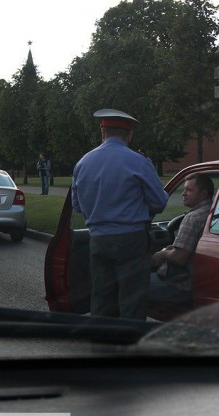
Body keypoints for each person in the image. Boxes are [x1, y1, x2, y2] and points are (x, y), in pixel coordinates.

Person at [72, 108, 168, 320]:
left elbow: (77, 206)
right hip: (131, 240)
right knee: (132, 302)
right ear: (129, 135)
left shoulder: (83, 163)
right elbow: (159, 201)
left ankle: (100, 346)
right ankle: (128, 348)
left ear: (102, 132)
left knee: (101, 300)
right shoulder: (138, 162)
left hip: (97, 239)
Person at [150, 173, 214, 309]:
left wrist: (162, 254)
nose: (183, 194)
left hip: (180, 284)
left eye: (189, 190)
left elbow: (180, 258)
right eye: (184, 189)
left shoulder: (192, 218)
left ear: (203, 193)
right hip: (202, 282)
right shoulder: (212, 213)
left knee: (131, 285)